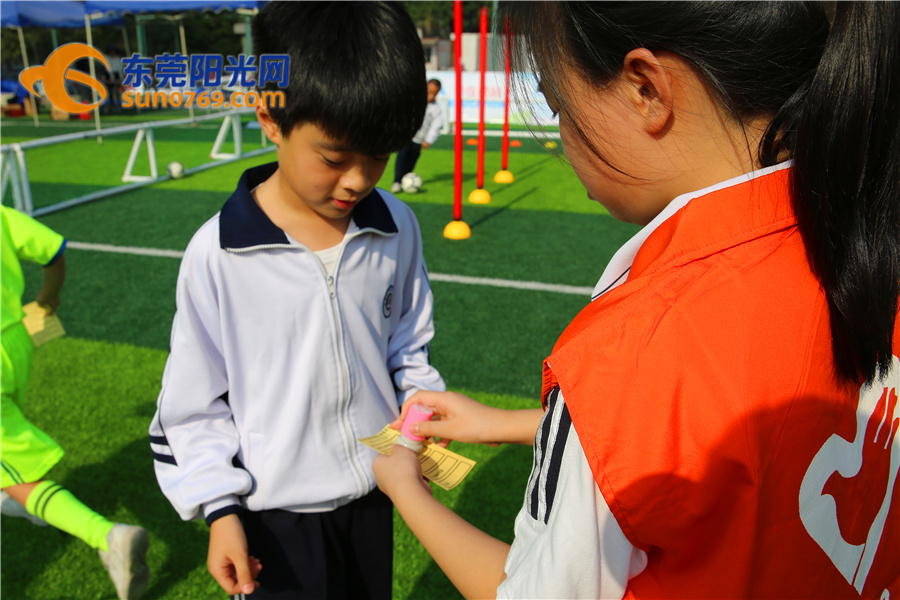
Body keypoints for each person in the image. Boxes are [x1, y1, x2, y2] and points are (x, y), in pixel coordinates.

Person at [373, 2, 900, 599]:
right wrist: (519, 426)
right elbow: (725, 437)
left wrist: (406, 489)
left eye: (558, 103)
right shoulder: (863, 237)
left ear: (646, 88)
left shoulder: (631, 350)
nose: (563, 134)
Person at [149, 3, 445, 599]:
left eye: (379, 155)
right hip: (272, 520)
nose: (359, 180)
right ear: (270, 117)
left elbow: (408, 347)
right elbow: (191, 407)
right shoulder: (218, 254)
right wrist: (219, 508)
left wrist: (419, 427)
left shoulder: (397, 227)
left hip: (372, 498)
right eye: (335, 158)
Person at [1, 206, 150, 600]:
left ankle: (107, 537)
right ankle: (11, 496)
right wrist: (47, 298)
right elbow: (54, 250)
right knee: (8, 430)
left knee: (12, 459)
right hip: (15, 339)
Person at [391, 79, 443, 193]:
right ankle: (397, 181)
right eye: (428, 91)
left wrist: (429, 140)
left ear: (437, 93)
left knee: (412, 160)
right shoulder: (414, 100)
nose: (430, 95)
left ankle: (406, 180)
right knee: (402, 156)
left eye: (433, 93)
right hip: (407, 136)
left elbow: (436, 125)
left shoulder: (436, 109)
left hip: (420, 140)